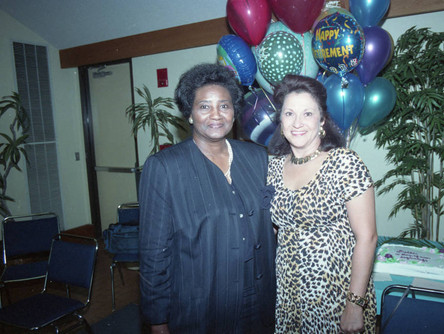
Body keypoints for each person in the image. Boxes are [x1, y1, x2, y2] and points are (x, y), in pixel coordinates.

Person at [139, 63, 276, 334]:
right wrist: (157, 320)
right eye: (204, 106)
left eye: (224, 106)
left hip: (260, 298)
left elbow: (270, 216)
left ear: (234, 111)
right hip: (202, 306)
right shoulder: (165, 167)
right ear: (189, 114)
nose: (216, 115)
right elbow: (154, 252)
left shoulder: (257, 158)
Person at [266, 74, 378, 333]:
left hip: (336, 298)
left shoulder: (344, 163)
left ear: (322, 120)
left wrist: (354, 305)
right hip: (288, 297)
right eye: (289, 114)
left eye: (307, 114)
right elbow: (271, 230)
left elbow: (368, 237)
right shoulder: (271, 168)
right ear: (280, 121)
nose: (297, 123)